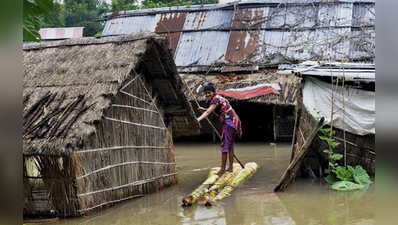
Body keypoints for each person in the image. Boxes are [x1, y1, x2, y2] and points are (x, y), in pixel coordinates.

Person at [197, 83, 242, 175]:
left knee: (224, 144)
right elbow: (215, 109)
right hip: (234, 121)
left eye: (209, 92)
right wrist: (205, 109)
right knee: (230, 145)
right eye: (206, 93)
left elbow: (209, 111)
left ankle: (222, 169)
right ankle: (230, 167)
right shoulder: (218, 98)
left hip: (229, 122)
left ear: (213, 92)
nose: (207, 95)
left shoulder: (215, 99)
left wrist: (197, 120)